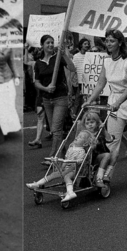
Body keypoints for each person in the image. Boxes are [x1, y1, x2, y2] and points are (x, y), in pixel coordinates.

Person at [86, 29, 127, 183]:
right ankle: (106, 175)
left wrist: (118, 103)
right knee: (112, 140)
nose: (108, 44)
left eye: (112, 41)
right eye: (107, 41)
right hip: (114, 102)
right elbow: (101, 83)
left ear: (120, 43)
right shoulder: (107, 61)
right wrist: (89, 100)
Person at [33, 34, 76, 163]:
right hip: (46, 99)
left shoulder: (57, 58)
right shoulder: (38, 63)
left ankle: (53, 157)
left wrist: (63, 55)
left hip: (60, 98)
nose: (51, 45)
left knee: (56, 129)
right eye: (48, 43)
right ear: (42, 46)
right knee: (54, 130)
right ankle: (64, 152)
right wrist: (46, 88)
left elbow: (72, 68)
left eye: (52, 42)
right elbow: (36, 82)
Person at [26, 130, 93, 203]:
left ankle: (70, 192)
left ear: (85, 143)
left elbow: (76, 164)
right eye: (78, 136)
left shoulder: (81, 151)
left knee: (67, 177)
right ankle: (38, 184)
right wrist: (61, 168)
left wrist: (66, 171)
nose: (77, 137)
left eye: (80, 137)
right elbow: (66, 159)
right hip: (66, 169)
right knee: (53, 174)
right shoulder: (71, 149)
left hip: (74, 171)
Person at [0, 48, 22, 135]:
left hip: (8, 78)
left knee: (10, 103)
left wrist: (16, 76)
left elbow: (11, 62)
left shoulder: (9, 46)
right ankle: (1, 130)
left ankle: (11, 127)